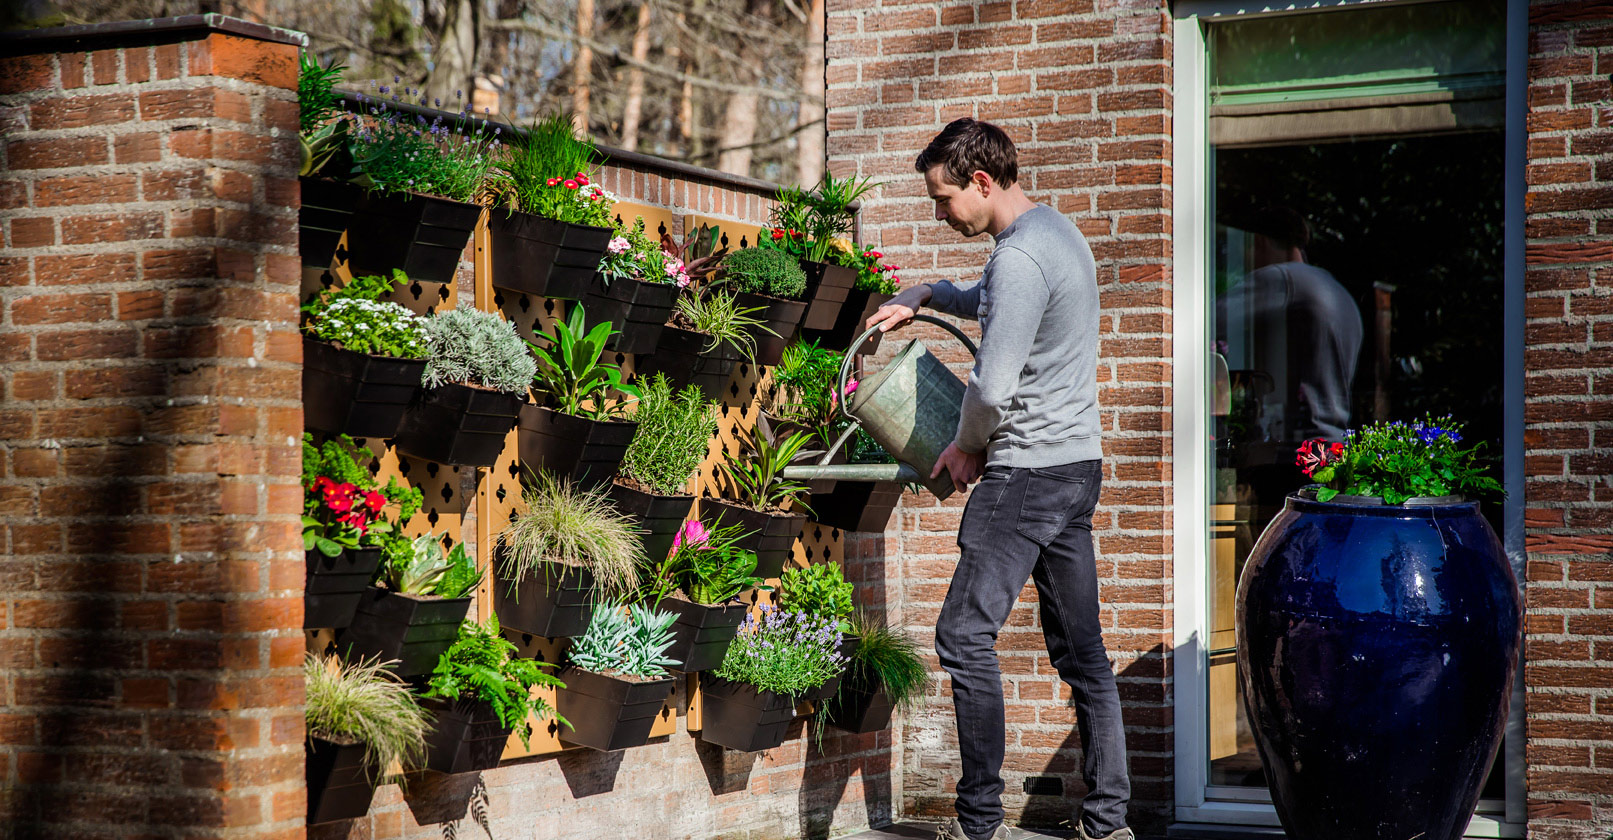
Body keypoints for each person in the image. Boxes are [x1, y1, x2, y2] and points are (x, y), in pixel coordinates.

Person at [866, 118, 1131, 840]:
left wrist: (962, 449)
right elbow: (988, 295)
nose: (940, 214)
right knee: (1084, 657)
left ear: (981, 182)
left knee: (961, 636)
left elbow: (989, 388)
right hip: (1076, 469)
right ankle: (1108, 823)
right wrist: (925, 290)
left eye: (943, 200)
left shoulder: (1018, 261)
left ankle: (977, 823)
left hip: (1024, 474)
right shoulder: (1054, 235)